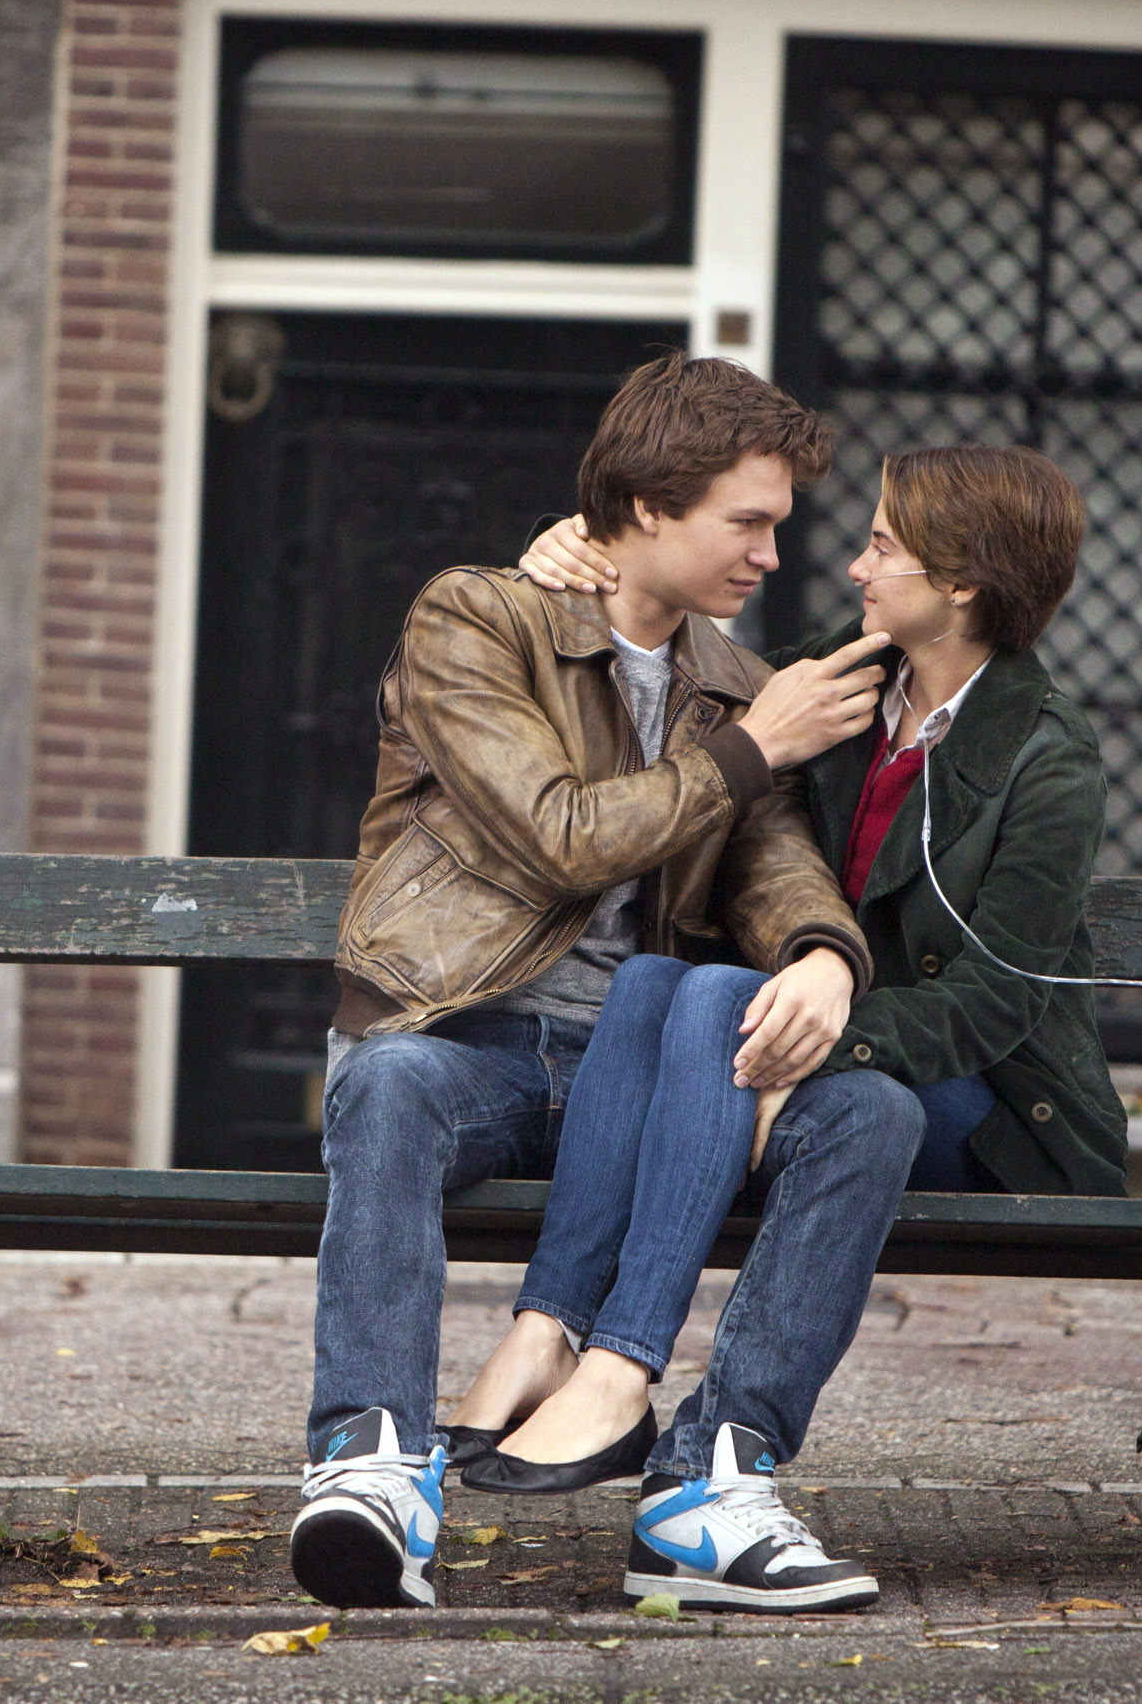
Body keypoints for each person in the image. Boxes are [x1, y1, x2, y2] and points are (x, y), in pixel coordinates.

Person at [290, 354, 926, 1618]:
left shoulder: (741, 687)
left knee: (871, 1116)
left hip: (646, 1068)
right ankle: (368, 1463)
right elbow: (557, 834)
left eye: (779, 526)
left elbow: (777, 866)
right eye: (744, 522)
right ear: (644, 509)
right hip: (471, 1039)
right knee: (392, 1087)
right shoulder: (477, 620)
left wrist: (818, 952)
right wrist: (753, 750)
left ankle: (709, 1484)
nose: (766, 554)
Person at [469, 446, 1120, 1555]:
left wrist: (818, 1044)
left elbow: (991, 1007)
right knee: (659, 985)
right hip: (795, 1062)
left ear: (960, 584)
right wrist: (562, 558)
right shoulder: (834, 673)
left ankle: (618, 1366)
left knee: (851, 1086)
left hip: (988, 1105)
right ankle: (581, 1358)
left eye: (881, 546)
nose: (855, 568)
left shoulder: (1047, 762)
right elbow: (671, 653)